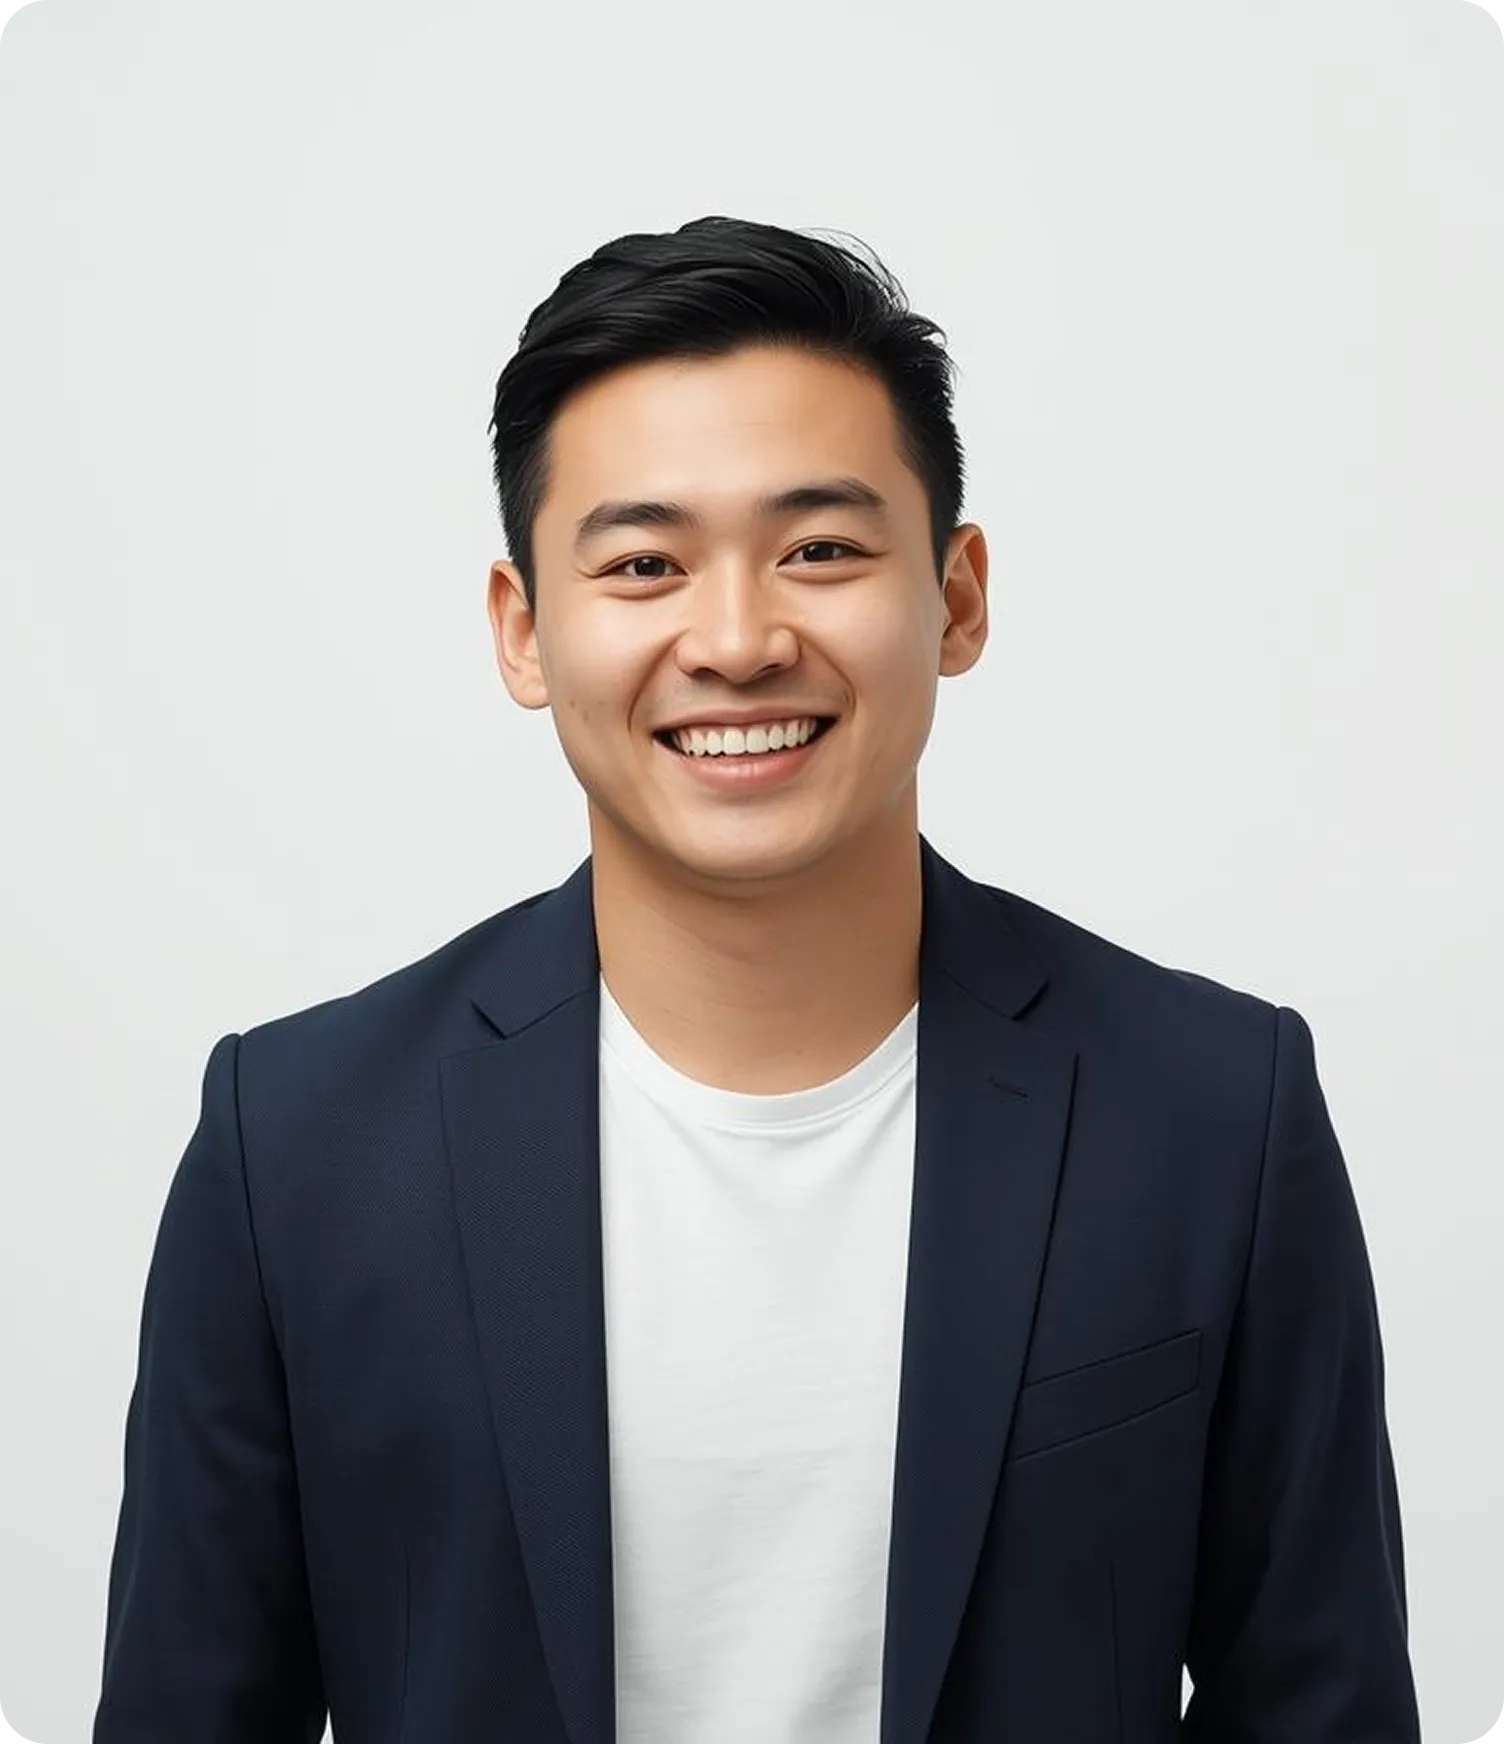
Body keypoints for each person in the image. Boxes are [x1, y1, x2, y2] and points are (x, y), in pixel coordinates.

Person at [92, 215, 1421, 1743]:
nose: (735, 639)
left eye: (823, 550)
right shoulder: (298, 1144)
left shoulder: (1214, 1112)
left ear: (959, 596)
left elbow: (1321, 1709)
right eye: (645, 563)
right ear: (526, 631)